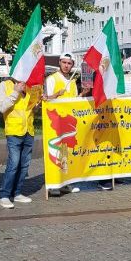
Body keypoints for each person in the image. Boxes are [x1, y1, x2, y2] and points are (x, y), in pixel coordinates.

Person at [44, 53, 86, 193]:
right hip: (55, 122)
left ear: (72, 65)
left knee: (66, 153)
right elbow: (46, 100)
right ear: (59, 62)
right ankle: (53, 185)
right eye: (64, 62)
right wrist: (56, 95)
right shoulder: (52, 79)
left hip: (69, 124)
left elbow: (74, 101)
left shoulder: (72, 81)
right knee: (55, 152)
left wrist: (82, 94)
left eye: (69, 63)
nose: (66, 66)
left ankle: (65, 182)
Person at [0, 78, 40, 208]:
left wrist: (37, 106)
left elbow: (31, 110)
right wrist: (15, 92)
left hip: (28, 130)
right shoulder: (5, 85)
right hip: (14, 130)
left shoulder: (30, 86)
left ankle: (17, 192)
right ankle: (4, 195)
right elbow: (2, 108)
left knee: (24, 165)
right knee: (13, 163)